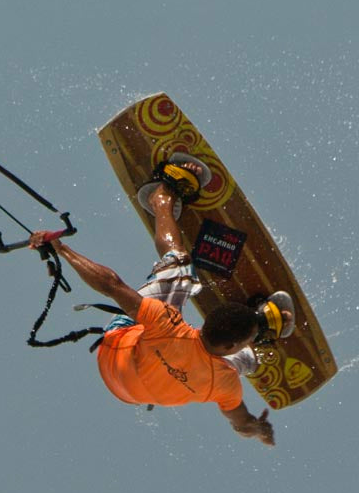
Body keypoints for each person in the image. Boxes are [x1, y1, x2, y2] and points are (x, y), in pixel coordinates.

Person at [29, 155, 292, 447]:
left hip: (118, 349)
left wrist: (62, 248)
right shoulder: (225, 383)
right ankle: (261, 340)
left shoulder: (167, 324)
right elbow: (241, 424)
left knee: (179, 268)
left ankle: (163, 196)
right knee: (241, 364)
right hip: (128, 391)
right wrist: (258, 430)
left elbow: (111, 285)